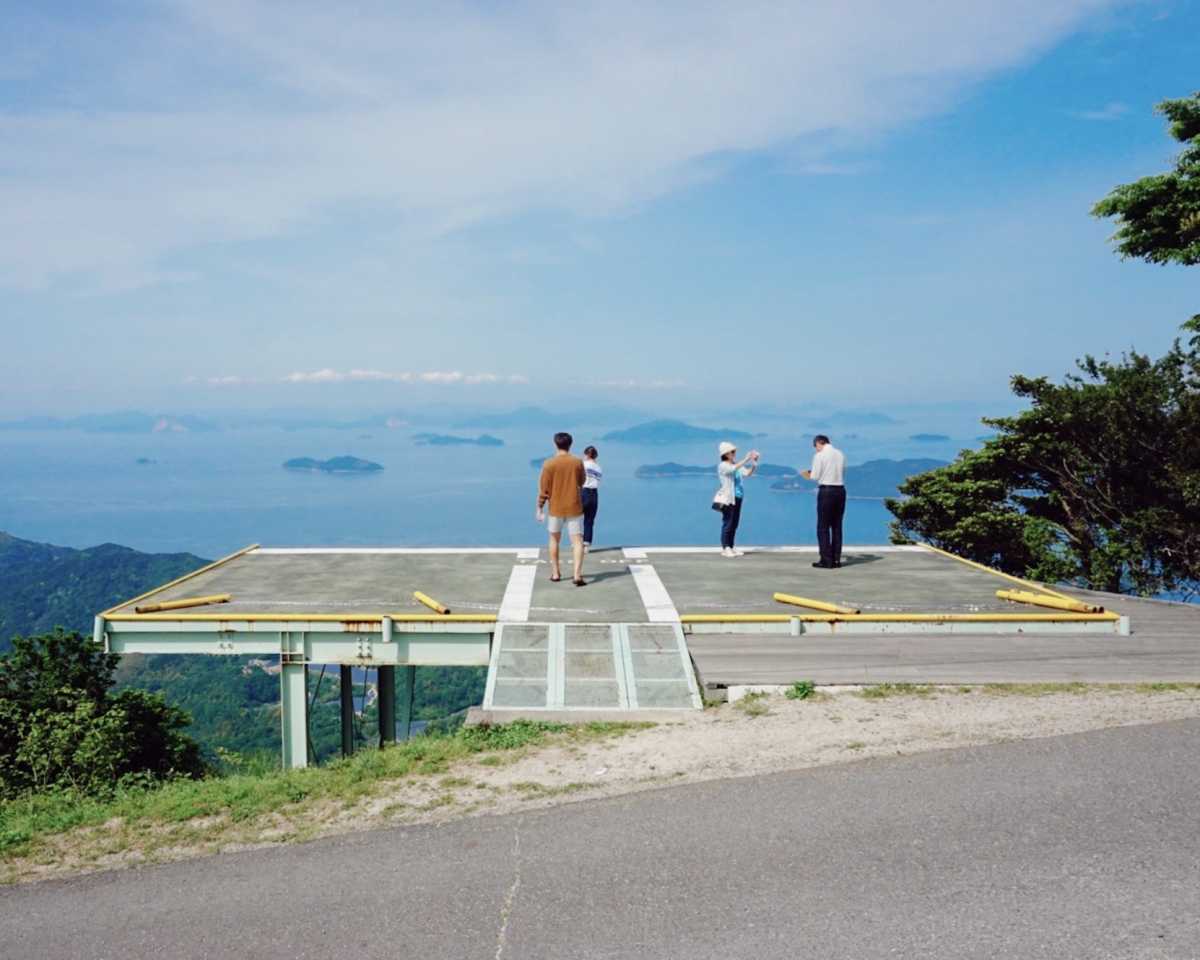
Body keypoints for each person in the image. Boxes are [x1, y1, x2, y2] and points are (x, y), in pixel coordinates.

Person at [536, 432, 587, 585]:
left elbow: (544, 489)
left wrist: (539, 507)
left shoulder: (549, 464)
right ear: (570, 444)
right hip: (574, 507)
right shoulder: (577, 462)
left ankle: (556, 573)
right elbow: (582, 481)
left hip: (556, 508)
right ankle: (577, 575)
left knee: (554, 540)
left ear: (555, 444)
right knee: (577, 541)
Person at [800, 434, 846, 568]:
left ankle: (826, 560)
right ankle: (836, 559)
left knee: (823, 526)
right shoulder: (840, 454)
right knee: (837, 526)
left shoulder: (819, 456)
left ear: (819, 443)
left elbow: (815, 476)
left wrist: (807, 474)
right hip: (840, 490)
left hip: (826, 491)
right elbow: (842, 473)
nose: (816, 450)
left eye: (815, 447)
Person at [715, 441, 759, 558]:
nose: (734, 453)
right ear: (726, 454)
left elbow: (747, 473)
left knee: (734, 523)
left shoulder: (735, 464)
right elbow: (732, 469)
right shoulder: (723, 466)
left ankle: (731, 546)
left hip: (738, 497)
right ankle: (726, 548)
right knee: (728, 523)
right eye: (732, 452)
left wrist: (754, 463)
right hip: (728, 498)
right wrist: (746, 458)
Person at [581, 445, 602, 551]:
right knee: (589, 520)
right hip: (594, 494)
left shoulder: (583, 465)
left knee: (574, 517)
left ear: (587, 455)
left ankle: (576, 540)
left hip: (583, 492)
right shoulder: (599, 468)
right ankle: (586, 544)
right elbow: (598, 480)